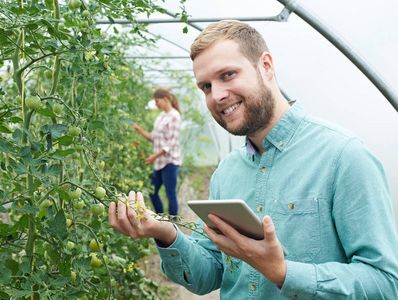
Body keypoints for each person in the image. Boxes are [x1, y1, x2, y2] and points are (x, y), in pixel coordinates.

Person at [109, 20, 398, 299]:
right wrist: (166, 234)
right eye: (206, 87)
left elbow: (386, 285)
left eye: (228, 75)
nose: (217, 95)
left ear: (266, 66)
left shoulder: (343, 156)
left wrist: (283, 272)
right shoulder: (227, 172)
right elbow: (211, 273)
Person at [132, 88, 182, 217]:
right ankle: (160, 218)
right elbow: (152, 137)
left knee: (170, 193)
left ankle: (173, 223)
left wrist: (154, 156)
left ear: (165, 99)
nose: (156, 104)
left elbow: (172, 143)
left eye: (157, 101)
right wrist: (140, 130)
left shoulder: (175, 116)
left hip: (170, 162)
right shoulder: (161, 116)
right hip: (159, 162)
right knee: (152, 192)